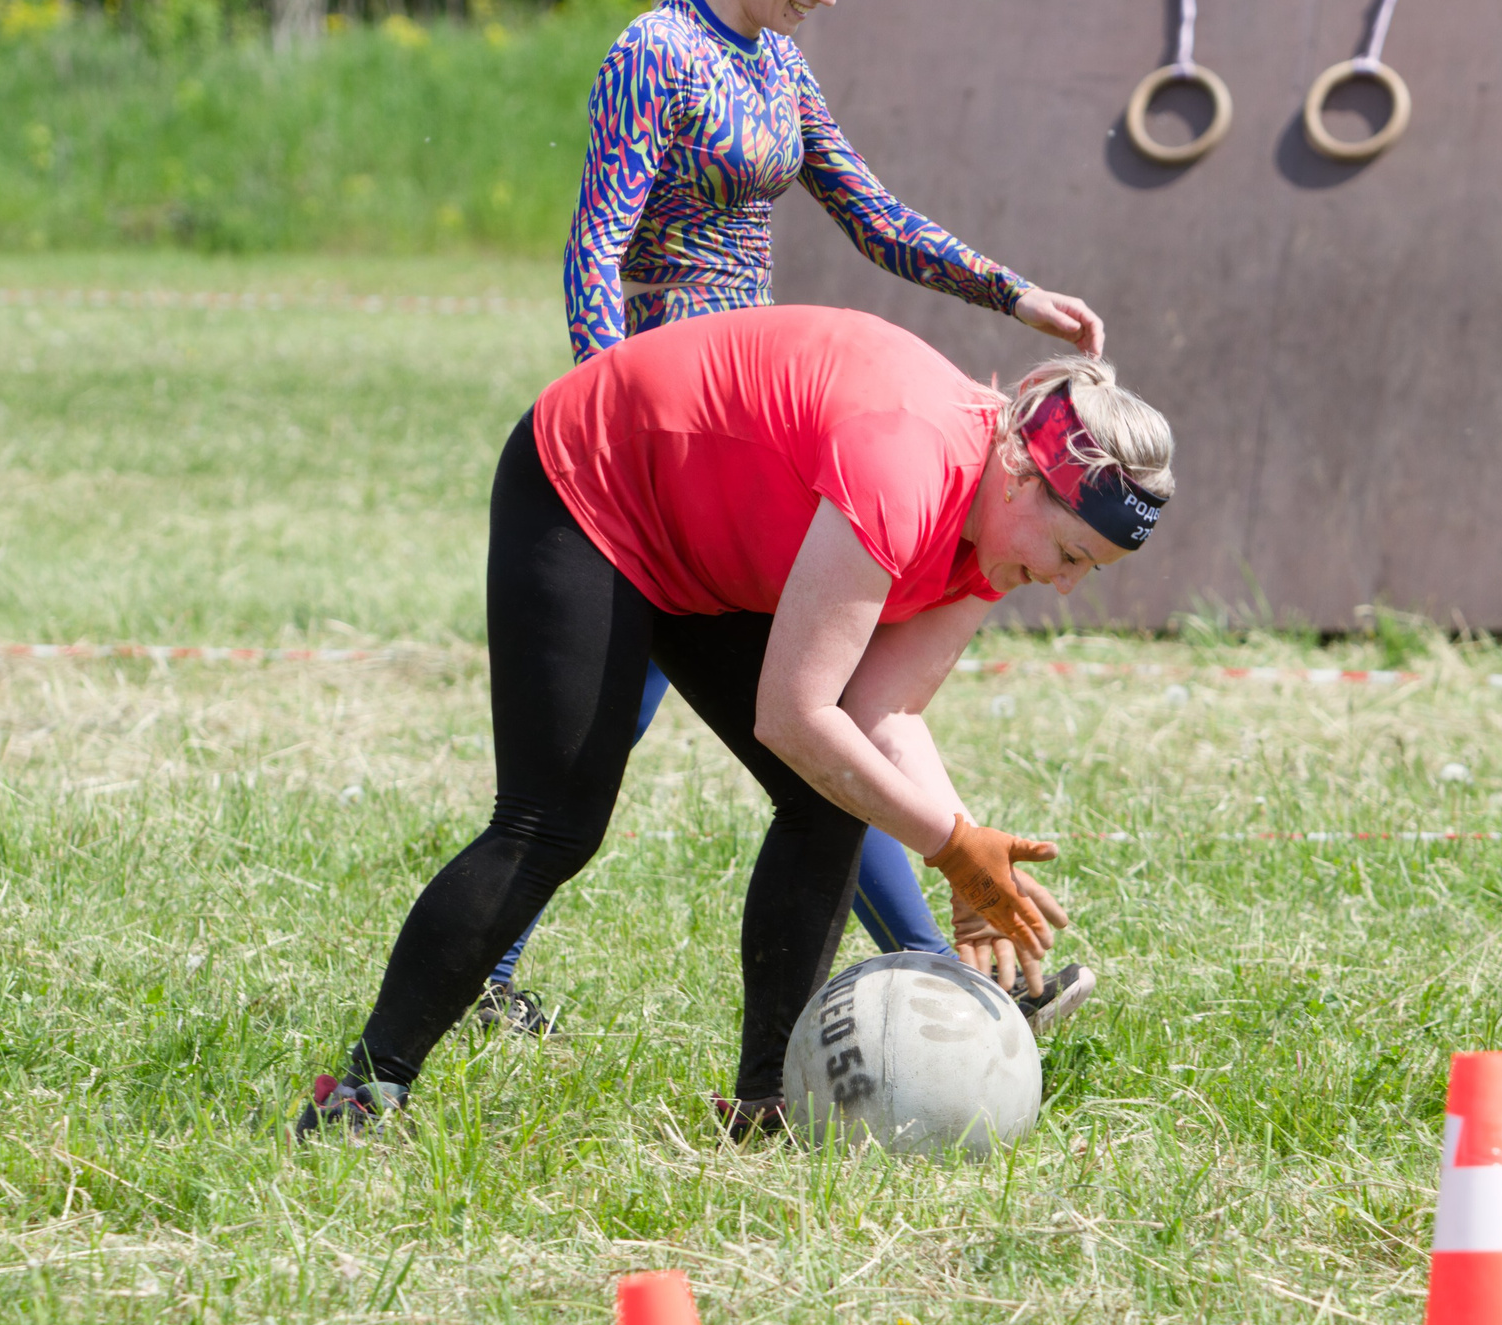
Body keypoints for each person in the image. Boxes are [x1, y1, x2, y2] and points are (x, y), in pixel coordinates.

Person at [297, 307, 1176, 1140]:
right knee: (552, 824)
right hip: (595, 482)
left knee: (830, 804)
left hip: (700, 538)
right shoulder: (909, 469)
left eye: (1085, 570)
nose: (1061, 584)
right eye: (1066, 554)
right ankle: (365, 1091)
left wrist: (970, 850)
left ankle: (767, 1106)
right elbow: (794, 716)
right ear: (1024, 474)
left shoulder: (996, 529)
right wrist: (948, 844)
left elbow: (884, 711)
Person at [479, 0, 1111, 1037]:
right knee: (649, 728)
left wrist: (1011, 294)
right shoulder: (653, 55)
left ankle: (940, 961)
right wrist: (609, 419)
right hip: (667, 436)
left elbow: (870, 214)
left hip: (760, 437)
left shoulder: (776, 66)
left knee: (797, 715)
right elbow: (596, 246)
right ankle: (490, 975)